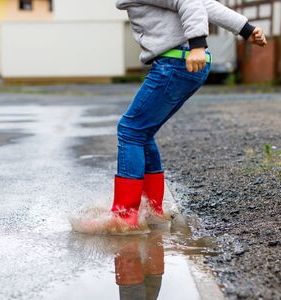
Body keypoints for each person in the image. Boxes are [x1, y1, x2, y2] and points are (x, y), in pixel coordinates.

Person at [110, 0, 267, 233]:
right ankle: (152, 211)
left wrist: (197, 46)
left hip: (176, 62)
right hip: (182, 62)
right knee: (143, 131)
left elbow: (190, 1)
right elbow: (205, 3)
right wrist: (245, 29)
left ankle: (125, 216)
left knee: (131, 130)